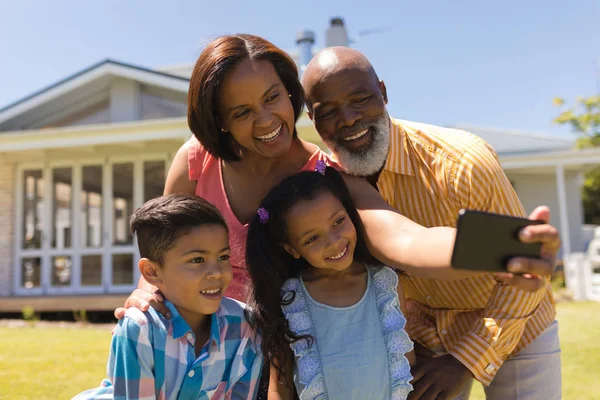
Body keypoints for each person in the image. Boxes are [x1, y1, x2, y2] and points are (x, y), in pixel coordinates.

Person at [115, 34, 561, 322]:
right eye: (243, 112)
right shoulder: (196, 162)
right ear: (220, 122)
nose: (267, 120)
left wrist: (503, 246)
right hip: (201, 343)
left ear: (292, 94)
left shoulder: (327, 176)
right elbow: (160, 247)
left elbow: (405, 239)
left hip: (287, 360)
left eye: (274, 98)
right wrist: (143, 291)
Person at [301, 46, 562, 399]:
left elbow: (521, 279)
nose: (348, 119)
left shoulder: (463, 163)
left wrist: (465, 360)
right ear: (312, 119)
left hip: (513, 324)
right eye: (328, 111)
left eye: (360, 99)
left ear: (384, 91)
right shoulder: (328, 182)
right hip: (425, 339)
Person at [245, 163, 415, 400]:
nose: (334, 241)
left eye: (338, 222)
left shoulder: (385, 283)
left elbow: (404, 360)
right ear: (292, 249)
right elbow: (279, 386)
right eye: (313, 238)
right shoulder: (290, 300)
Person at [74, 194, 262, 400]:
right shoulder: (140, 329)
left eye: (223, 257)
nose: (216, 272)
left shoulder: (247, 324)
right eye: (197, 260)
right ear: (152, 272)